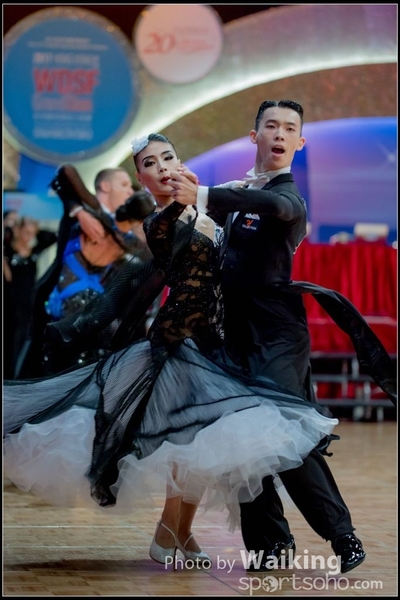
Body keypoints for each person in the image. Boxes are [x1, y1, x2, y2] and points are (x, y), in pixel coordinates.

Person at [3, 134, 339, 570]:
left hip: (214, 341)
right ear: (141, 179)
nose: (161, 167)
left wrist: (221, 197)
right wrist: (202, 194)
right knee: (186, 442)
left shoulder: (202, 208)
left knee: (203, 445)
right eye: (150, 164)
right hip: (180, 342)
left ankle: (181, 530)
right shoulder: (160, 222)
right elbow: (167, 242)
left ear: (179, 163)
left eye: (167, 158)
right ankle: (169, 529)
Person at [167, 99, 396, 574]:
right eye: (271, 125)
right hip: (234, 334)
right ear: (255, 136)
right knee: (240, 440)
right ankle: (271, 544)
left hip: (278, 335)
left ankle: (342, 536)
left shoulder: (288, 198)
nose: (279, 133)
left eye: (289, 128)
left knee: (283, 433)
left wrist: (206, 193)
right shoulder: (239, 193)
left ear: (300, 142)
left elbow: (274, 205)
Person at [18, 166, 143, 377]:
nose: (130, 190)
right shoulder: (83, 212)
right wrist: (79, 211)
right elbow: (65, 172)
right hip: (51, 320)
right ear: (105, 186)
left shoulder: (126, 236)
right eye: (124, 184)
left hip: (90, 332)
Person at [3, 215, 57, 378]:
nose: (29, 237)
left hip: (27, 307)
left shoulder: (34, 252)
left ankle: (15, 377)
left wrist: (35, 229)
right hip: (8, 307)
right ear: (18, 230)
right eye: (26, 232)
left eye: (32, 234)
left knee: (21, 344)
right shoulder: (7, 251)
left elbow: (53, 237)